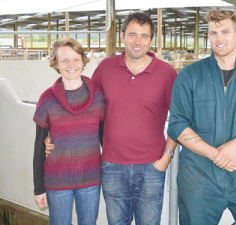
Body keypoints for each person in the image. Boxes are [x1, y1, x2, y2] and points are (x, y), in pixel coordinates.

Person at [46, 12, 178, 225]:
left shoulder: (167, 73)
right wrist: (52, 135)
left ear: (152, 40)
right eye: (132, 34)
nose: (138, 41)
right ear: (122, 36)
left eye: (144, 36)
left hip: (152, 166)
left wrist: (166, 157)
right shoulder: (105, 68)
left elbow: (179, 119)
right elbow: (84, 106)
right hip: (111, 166)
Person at [167, 10, 236, 225]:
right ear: (208, 36)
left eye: (225, 31)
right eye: (213, 33)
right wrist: (217, 155)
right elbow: (177, 124)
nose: (219, 38)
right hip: (198, 178)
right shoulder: (189, 75)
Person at [33, 37, 105, 225]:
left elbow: (105, 139)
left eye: (76, 59)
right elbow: (39, 148)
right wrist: (38, 188)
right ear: (56, 64)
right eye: (64, 60)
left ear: (83, 61)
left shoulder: (98, 96)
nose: (71, 65)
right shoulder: (47, 99)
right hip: (56, 182)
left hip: (90, 180)